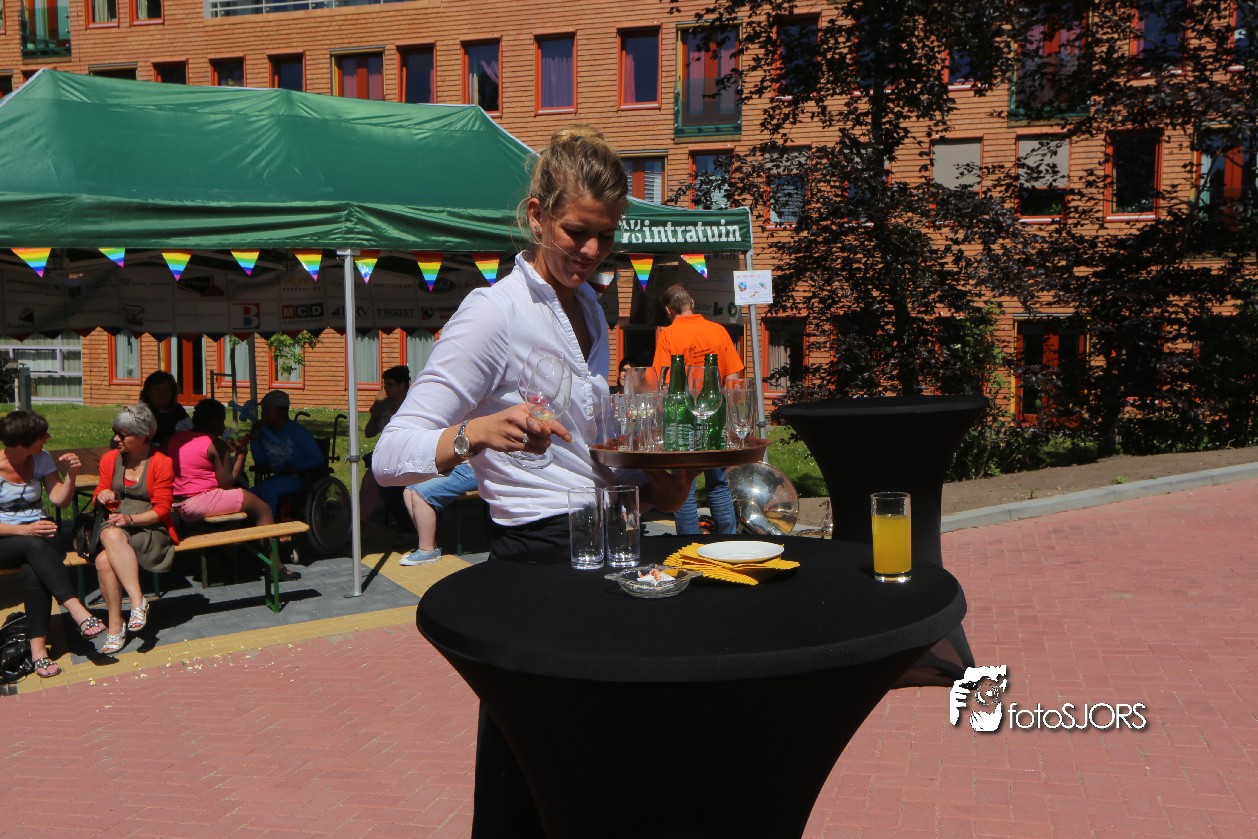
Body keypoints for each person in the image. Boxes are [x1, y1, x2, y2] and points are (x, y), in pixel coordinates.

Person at [372, 125, 694, 836]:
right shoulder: (493, 313)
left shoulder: (590, 308)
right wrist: (475, 434)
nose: (592, 250)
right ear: (538, 215)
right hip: (538, 563)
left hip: (610, 546)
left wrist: (656, 489)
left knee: (604, 775)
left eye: (606, 236)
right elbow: (389, 454)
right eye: (578, 231)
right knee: (538, 777)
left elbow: (588, 453)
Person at [0, 410, 104, 678]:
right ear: (24, 442)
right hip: (6, 539)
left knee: (33, 570)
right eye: (42, 435)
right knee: (34, 546)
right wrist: (24, 530)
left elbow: (59, 500)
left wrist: (71, 475)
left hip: (40, 536)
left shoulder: (42, 458)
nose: (48, 437)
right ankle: (76, 609)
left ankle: (39, 652)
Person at [168, 399, 298, 581]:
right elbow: (227, 482)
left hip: (178, 504)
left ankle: (230, 549)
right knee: (263, 509)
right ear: (214, 420)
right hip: (201, 500)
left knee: (245, 504)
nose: (223, 426)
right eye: (222, 421)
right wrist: (241, 456)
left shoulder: (177, 438)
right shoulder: (215, 444)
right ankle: (276, 567)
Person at [652, 282, 745, 535]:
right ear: (692, 304)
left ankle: (687, 543)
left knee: (683, 483)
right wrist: (729, 415)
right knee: (718, 482)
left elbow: (662, 381)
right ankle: (728, 541)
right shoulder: (718, 331)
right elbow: (733, 378)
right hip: (714, 414)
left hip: (682, 418)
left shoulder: (668, 335)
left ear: (668, 311)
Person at [91, 403, 180, 656]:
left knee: (103, 560)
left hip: (149, 527)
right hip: (117, 526)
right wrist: (102, 496)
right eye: (115, 433)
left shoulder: (161, 462)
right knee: (109, 537)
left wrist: (131, 519)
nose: (116, 439)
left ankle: (117, 624)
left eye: (122, 435)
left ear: (142, 436)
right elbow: (98, 492)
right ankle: (137, 602)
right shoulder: (111, 459)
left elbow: (162, 510)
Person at [248, 389, 325, 518]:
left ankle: (269, 523)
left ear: (282, 411)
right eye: (263, 409)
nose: (263, 413)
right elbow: (261, 462)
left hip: (298, 477)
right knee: (247, 495)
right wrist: (254, 439)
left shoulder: (297, 431)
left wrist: (298, 467)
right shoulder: (265, 433)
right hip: (277, 477)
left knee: (268, 490)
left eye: (267, 409)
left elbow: (318, 458)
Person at [396, 462, 478, 565]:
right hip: (458, 467)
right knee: (409, 491)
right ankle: (430, 546)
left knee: (420, 494)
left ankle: (427, 550)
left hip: (475, 470)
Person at [360, 365, 411, 526]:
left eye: (390, 384)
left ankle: (360, 522)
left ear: (402, 385)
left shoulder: (411, 406)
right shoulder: (385, 406)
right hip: (387, 456)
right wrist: (377, 409)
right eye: (384, 385)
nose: (386, 389)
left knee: (377, 481)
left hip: (407, 456)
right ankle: (357, 519)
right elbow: (369, 432)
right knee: (368, 480)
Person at [139, 370, 191, 451]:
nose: (162, 393)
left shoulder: (178, 410)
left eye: (166, 389)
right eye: (157, 389)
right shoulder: (142, 414)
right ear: (148, 392)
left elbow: (190, 431)